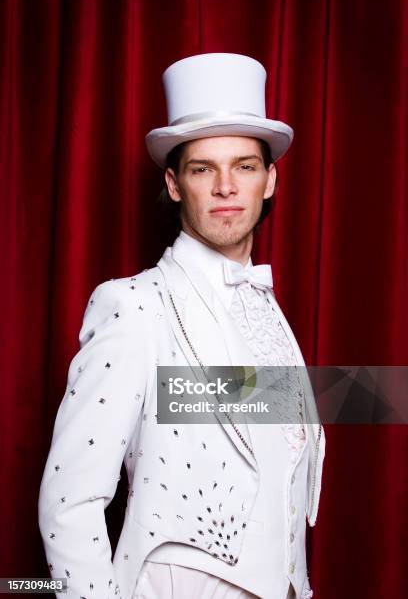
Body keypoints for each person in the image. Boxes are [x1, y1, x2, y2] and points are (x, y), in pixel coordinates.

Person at [38, 53, 325, 599]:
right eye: (202, 168)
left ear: (269, 181)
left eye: (244, 166)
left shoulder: (266, 309)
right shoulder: (134, 306)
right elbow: (67, 505)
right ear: (174, 185)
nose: (225, 186)